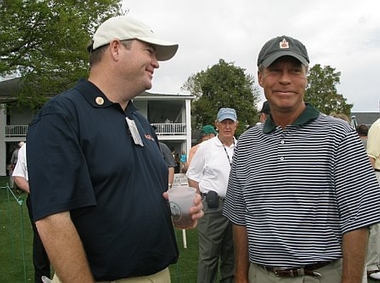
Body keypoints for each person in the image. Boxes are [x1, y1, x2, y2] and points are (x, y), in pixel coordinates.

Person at [26, 15, 203, 283]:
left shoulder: (139, 120)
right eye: (149, 51)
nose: (156, 63)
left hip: (159, 273)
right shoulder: (61, 116)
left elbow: (127, 199)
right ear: (116, 48)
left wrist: (179, 215)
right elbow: (52, 220)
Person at [223, 35, 380, 283]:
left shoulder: (340, 136)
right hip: (260, 276)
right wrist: (241, 276)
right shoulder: (248, 144)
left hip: (320, 276)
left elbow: (358, 219)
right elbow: (241, 217)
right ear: (260, 77)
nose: (285, 80)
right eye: (275, 70)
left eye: (295, 71)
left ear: (306, 76)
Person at [186, 107, 238, 283]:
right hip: (212, 207)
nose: (227, 126)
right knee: (208, 257)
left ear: (236, 125)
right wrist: (199, 199)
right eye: (224, 122)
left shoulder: (241, 147)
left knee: (231, 258)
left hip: (235, 207)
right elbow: (192, 175)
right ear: (217, 124)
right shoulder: (206, 147)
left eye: (230, 122)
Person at [12, 143, 51, 283]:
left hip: (63, 195)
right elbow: (18, 176)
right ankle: (41, 278)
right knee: (41, 238)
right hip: (37, 198)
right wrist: (36, 192)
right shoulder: (26, 148)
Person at [365, 118, 380, 281]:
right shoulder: (378, 127)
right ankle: (371, 266)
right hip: (377, 175)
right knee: (376, 224)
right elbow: (371, 157)